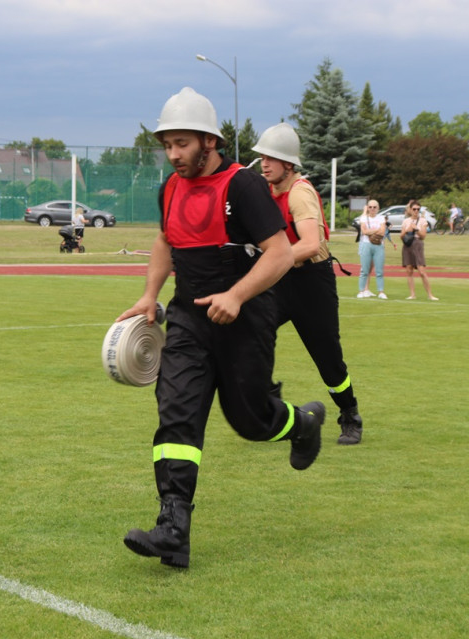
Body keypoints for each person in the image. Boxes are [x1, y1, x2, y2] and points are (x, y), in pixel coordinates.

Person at [120, 87, 324, 569]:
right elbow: (166, 241)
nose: (174, 155)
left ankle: (302, 424)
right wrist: (149, 295)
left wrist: (236, 296)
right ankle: (173, 528)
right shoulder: (171, 188)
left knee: (250, 420)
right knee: (177, 414)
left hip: (246, 317)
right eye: (167, 145)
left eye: (182, 144)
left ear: (209, 141)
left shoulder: (244, 186)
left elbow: (280, 253)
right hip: (189, 319)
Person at [253, 122, 363, 445]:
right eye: (262, 157)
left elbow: (311, 245)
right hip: (281, 278)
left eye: (271, 158)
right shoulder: (264, 190)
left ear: (288, 163)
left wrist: (272, 260)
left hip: (312, 283)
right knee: (251, 336)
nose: (264, 164)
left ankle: (350, 415)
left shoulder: (300, 192)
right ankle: (271, 411)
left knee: (328, 359)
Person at [399, 200, 438, 300]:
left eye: (418, 209)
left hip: (417, 244)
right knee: (409, 270)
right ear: (410, 210)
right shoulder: (406, 221)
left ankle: (430, 295)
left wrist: (416, 229)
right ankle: (412, 294)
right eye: (414, 209)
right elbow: (401, 236)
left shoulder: (423, 221)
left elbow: (423, 236)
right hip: (407, 245)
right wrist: (407, 230)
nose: (416, 211)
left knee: (421, 271)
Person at [355, 199, 387, 299]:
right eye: (370, 207)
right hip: (366, 244)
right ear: (367, 208)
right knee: (364, 270)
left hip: (378, 245)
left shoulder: (381, 218)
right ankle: (361, 290)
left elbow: (382, 232)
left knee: (379, 270)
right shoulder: (364, 218)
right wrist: (376, 230)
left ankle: (381, 291)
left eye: (374, 207)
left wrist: (371, 231)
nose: (372, 209)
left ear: (378, 208)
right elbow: (364, 231)